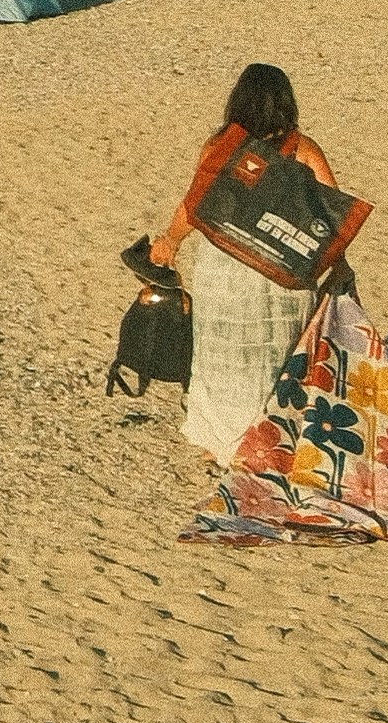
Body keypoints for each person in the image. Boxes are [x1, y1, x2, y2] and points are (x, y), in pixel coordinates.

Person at [150, 65, 362, 464]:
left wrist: (170, 241)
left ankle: (221, 441)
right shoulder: (302, 149)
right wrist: (340, 266)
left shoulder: (221, 146)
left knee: (221, 354)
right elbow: (331, 215)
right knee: (277, 357)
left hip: (224, 268)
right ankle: (268, 441)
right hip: (283, 272)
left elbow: (194, 203)